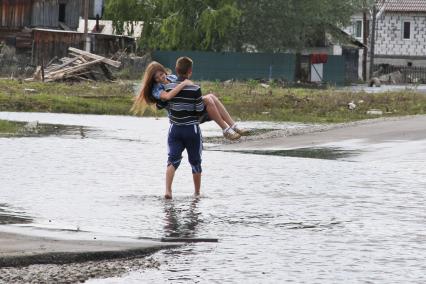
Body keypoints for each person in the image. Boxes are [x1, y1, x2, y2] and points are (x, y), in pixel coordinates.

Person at [131, 61, 247, 140]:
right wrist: (184, 84)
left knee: (211, 97)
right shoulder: (156, 89)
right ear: (153, 80)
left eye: (161, 74)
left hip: (189, 106)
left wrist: (187, 85)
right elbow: (167, 97)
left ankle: (234, 126)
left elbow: (188, 88)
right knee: (207, 99)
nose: (161, 78)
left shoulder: (172, 77)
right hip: (181, 115)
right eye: (157, 78)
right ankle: (225, 130)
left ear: (164, 71)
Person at [163, 57, 205, 199]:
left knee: (172, 160)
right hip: (191, 129)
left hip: (174, 129)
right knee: (195, 162)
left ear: (176, 70)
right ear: (190, 72)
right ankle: (197, 193)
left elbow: (167, 106)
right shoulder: (195, 88)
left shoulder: (168, 88)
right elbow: (199, 110)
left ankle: (168, 191)